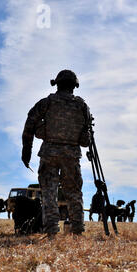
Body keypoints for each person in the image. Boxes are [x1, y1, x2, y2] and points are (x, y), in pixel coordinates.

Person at [21, 70, 91, 236]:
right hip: (72, 156)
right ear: (74, 86)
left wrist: (26, 152)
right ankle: (77, 231)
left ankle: (52, 232)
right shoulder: (82, 106)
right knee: (74, 193)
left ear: (57, 84)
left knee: (49, 193)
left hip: (49, 154)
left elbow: (29, 126)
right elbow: (86, 139)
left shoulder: (46, 103)